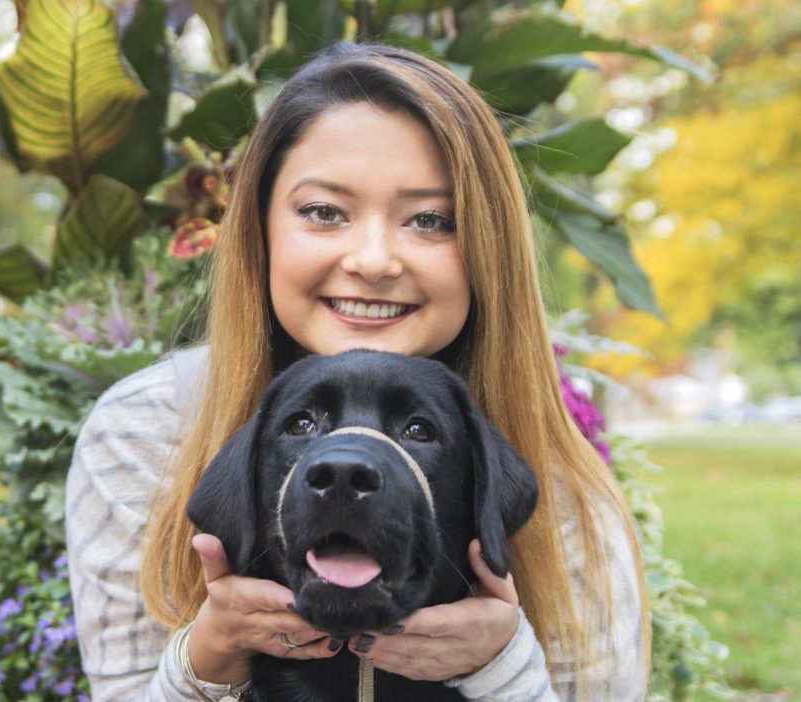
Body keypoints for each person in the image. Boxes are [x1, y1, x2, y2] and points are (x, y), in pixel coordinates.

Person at [65, 42, 649, 701]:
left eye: (431, 220)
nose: (372, 259)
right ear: (260, 229)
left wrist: (502, 667)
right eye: (324, 212)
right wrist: (208, 661)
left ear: (487, 245)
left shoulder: (558, 480)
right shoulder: (146, 431)